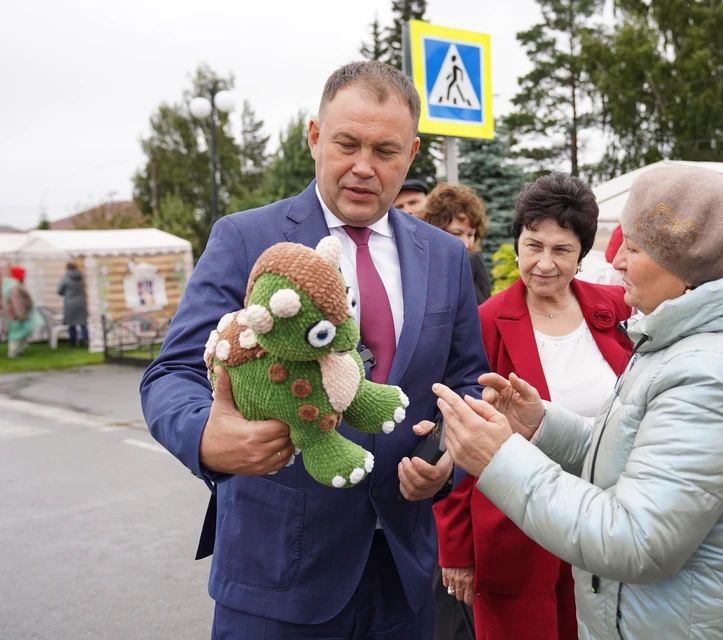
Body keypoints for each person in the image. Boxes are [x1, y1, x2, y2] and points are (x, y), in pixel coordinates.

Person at [140, 60, 489, 640]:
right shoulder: (246, 237)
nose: (363, 167)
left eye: (385, 151)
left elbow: (467, 380)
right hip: (278, 576)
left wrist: (449, 459)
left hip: (403, 576)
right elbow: (171, 371)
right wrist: (206, 436)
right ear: (314, 137)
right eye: (346, 143)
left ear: (411, 154)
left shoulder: (446, 257)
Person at [431, 165, 723, 639]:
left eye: (633, 248)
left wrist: (499, 458)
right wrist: (542, 425)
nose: (615, 262)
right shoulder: (687, 338)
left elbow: (637, 539)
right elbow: (636, 446)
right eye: (534, 245)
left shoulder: (719, 373)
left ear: (684, 264)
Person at [433, 173, 633, 640]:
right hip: (516, 531)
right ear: (517, 242)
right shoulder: (483, 323)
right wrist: (457, 548)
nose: (544, 263)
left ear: (581, 254)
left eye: (561, 249)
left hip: (609, 526)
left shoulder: (617, 311)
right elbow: (457, 437)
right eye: (533, 245)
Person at [423, 183, 492, 305]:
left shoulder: (473, 259)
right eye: (456, 234)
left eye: (470, 235)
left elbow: (485, 305)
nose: (466, 244)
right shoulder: (420, 268)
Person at [2, 266, 40, 358]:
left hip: (16, 314)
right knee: (16, 334)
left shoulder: (13, 284)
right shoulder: (14, 286)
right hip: (15, 315)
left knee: (21, 333)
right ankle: (13, 352)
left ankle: (19, 350)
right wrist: (20, 314)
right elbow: (16, 301)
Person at [57, 262, 88, 347]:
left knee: (72, 325)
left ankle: (73, 343)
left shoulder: (65, 278)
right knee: (83, 324)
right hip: (81, 302)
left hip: (70, 303)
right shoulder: (81, 277)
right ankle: (86, 342)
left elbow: (60, 291)